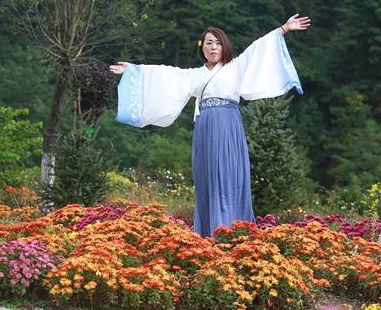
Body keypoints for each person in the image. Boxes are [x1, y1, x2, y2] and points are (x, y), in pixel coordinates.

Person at [109, 14, 311, 237]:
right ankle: (208, 232)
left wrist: (284, 29)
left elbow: (258, 48)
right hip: (205, 127)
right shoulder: (194, 75)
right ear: (202, 48)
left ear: (224, 47)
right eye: (209, 43)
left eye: (217, 43)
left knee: (227, 174)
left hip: (228, 124)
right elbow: (166, 74)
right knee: (207, 178)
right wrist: (133, 70)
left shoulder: (236, 67)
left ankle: (231, 230)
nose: (214, 48)